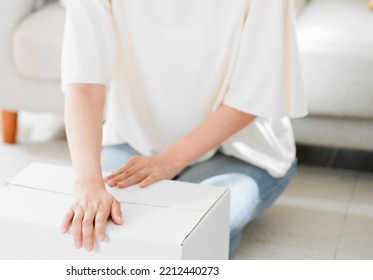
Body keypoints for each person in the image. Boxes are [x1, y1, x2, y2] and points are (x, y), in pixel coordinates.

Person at [60, 0, 307, 256]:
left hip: (241, 152)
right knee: (95, 230)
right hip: (133, 141)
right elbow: (85, 85)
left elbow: (252, 98)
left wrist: (170, 160)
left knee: (185, 235)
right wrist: (88, 184)